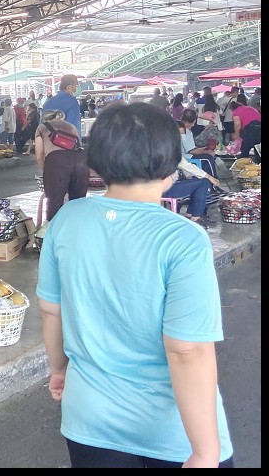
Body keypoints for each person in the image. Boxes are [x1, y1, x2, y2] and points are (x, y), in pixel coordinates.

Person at [37, 102, 234, 468]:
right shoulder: (183, 239)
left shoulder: (67, 219)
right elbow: (186, 351)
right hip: (170, 432)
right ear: (171, 165)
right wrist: (205, 451)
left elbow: (51, 309)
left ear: (94, 163)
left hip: (89, 418)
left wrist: (59, 369)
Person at [35, 110, 88, 223]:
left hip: (57, 161)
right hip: (81, 161)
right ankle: (78, 230)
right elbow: (78, 145)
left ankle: (54, 234)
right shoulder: (71, 126)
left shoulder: (41, 127)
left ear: (44, 119)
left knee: (54, 202)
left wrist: (47, 171)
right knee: (79, 202)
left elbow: (39, 156)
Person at [230, 93, 261, 162]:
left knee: (245, 148)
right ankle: (259, 164)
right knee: (258, 148)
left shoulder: (236, 112)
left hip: (250, 128)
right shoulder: (250, 108)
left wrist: (236, 135)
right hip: (259, 126)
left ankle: (242, 163)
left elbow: (237, 124)